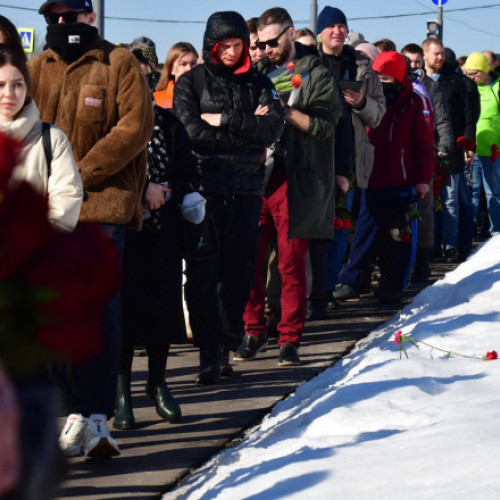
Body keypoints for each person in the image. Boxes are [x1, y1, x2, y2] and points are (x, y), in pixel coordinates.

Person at [28, 0, 153, 459]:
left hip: (102, 208)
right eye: (55, 18)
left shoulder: (118, 62)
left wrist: (78, 173)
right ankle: (64, 414)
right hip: (46, 211)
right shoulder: (36, 66)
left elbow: (135, 127)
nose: (64, 25)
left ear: (91, 17)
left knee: (100, 313)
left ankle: (97, 415)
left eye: (73, 16)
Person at [174, 11, 284, 379]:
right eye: (226, 46)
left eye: (238, 45)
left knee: (238, 273)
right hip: (205, 190)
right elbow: (190, 132)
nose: (232, 52)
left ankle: (226, 343)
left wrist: (224, 120)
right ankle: (208, 350)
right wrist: (245, 129)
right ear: (212, 45)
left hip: (246, 190)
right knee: (204, 274)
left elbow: (271, 128)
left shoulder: (257, 82)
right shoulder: (191, 82)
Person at [235, 7, 339, 365]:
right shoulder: (256, 74)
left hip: (296, 179)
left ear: (291, 35)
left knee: (292, 265)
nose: (265, 51)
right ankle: (253, 330)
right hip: (255, 177)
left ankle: (289, 337)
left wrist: (285, 110)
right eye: (260, 45)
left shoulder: (318, 74)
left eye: (272, 43)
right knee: (249, 259)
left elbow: (325, 128)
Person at [116, 55, 199, 427]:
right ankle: (122, 392)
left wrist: (168, 191)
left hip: (164, 231)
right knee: (123, 313)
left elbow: (188, 173)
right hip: (122, 230)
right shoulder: (113, 125)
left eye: (144, 81)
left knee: (162, 310)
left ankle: (157, 382)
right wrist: (141, 191)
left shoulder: (167, 122)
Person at [335, 51, 435, 304]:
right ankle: (352, 281)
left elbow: (424, 145)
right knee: (364, 234)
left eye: (387, 78)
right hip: (370, 178)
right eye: (378, 77)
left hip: (401, 180)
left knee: (399, 235)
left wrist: (422, 179)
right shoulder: (369, 101)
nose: (382, 82)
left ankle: (393, 285)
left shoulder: (414, 102)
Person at [316, 6, 386, 305]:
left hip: (350, 159)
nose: (337, 31)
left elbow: (379, 115)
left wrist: (362, 102)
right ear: (320, 32)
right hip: (312, 157)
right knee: (311, 229)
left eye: (342, 27)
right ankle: (311, 289)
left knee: (339, 228)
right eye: (331, 26)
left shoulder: (361, 66)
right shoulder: (306, 62)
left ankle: (328, 288)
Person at [0, 46, 83, 232]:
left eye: (17, 84)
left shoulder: (52, 139)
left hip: (31, 254)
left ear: (27, 87)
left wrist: (32, 242)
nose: (9, 93)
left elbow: (67, 197)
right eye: (1, 85)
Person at [423, 39, 479, 263]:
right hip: (427, 148)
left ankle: (451, 245)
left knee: (449, 200)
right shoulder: (418, 81)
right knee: (430, 201)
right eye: (435, 54)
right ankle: (431, 245)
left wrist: (467, 144)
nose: (440, 58)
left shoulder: (458, 82)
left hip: (451, 149)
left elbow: (468, 117)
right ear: (425, 55)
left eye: (441, 54)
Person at [401, 42, 453, 281]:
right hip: (399, 156)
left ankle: (422, 261)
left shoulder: (429, 86)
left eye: (416, 61)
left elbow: (442, 119)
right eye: (409, 61)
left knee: (424, 211)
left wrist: (444, 147)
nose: (413, 65)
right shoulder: (398, 85)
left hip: (425, 153)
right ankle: (400, 262)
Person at [465, 51, 500, 235]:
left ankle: (496, 234)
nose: (472, 77)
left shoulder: (497, 86)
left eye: (475, 73)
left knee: (493, 193)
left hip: (493, 150)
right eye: (469, 74)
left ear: (486, 70)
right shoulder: (468, 88)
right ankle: (468, 235)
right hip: (471, 150)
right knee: (471, 194)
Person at [154, 42, 198, 109]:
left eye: (193, 63)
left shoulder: (207, 98)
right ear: (171, 69)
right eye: (183, 64)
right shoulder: (156, 100)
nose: (189, 68)